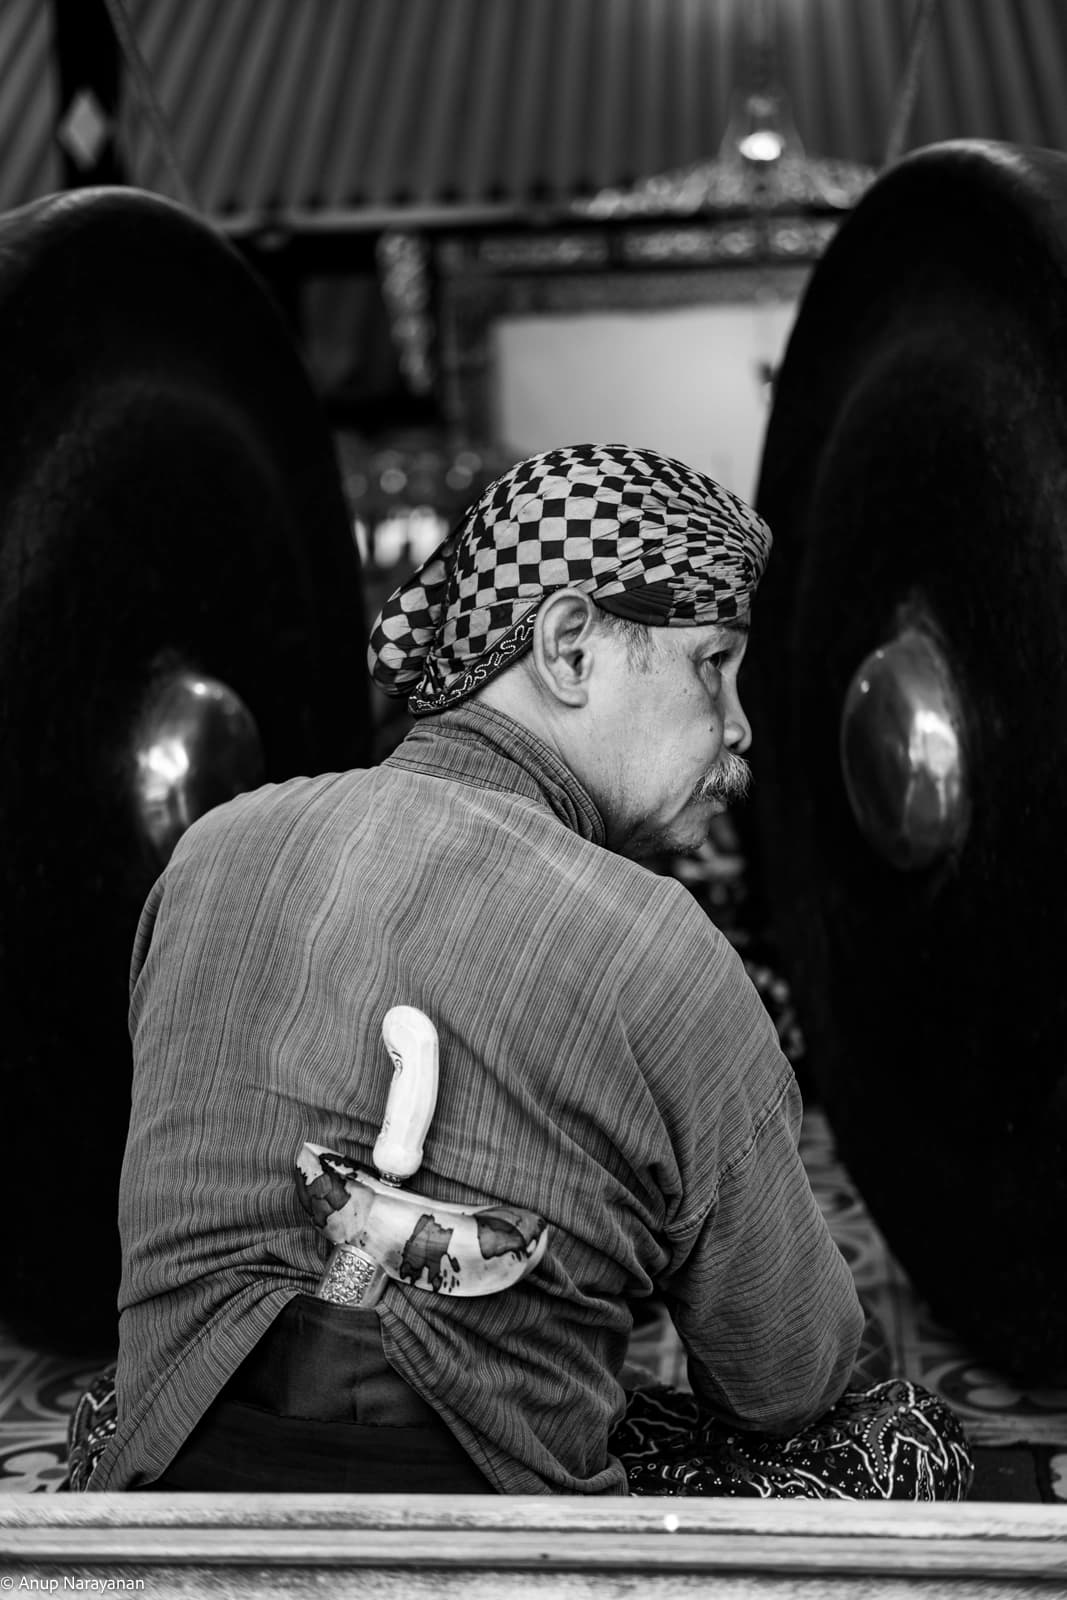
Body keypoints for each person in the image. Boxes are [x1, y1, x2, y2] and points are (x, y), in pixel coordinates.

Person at [84, 443, 970, 1497]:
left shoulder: (207, 856)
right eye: (711, 663)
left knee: (119, 1396)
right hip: (496, 1549)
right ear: (567, 647)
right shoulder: (656, 949)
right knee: (893, 1434)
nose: (737, 726)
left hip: (153, 1517)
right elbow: (787, 1375)